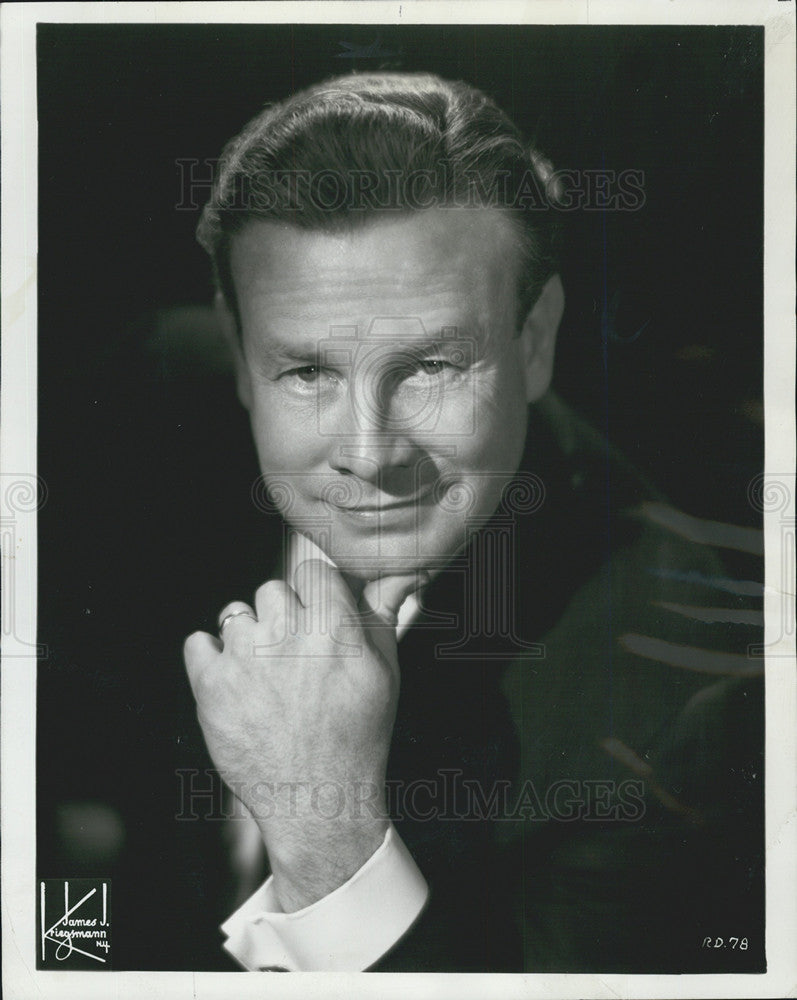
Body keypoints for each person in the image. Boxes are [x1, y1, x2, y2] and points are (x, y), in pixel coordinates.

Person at [180, 71, 764, 972]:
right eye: (305, 373)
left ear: (534, 341)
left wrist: (324, 830)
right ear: (236, 348)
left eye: (432, 365)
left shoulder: (690, 697)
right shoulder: (109, 439)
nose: (370, 453)